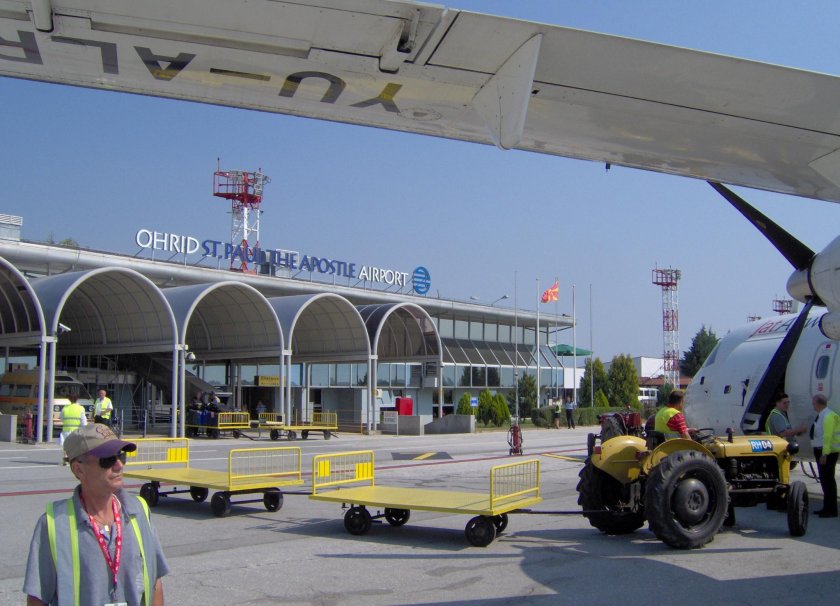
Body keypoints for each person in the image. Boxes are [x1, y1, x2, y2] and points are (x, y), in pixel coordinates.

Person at [24, 423, 169, 605]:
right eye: (107, 459)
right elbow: (37, 598)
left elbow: (155, 582)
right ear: (79, 469)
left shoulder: (139, 511)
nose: (118, 465)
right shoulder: (53, 524)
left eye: (121, 456)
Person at [811, 394, 840, 518]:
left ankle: (831, 510)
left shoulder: (827, 416)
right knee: (824, 480)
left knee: (828, 480)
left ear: (818, 403)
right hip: (822, 451)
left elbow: (827, 437)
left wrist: (824, 454)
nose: (812, 405)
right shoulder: (822, 415)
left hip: (827, 452)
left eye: (813, 402)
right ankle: (826, 507)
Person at [58, 395, 87, 466]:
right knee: (76, 446)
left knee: (66, 445)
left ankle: (65, 458)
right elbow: (83, 421)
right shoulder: (80, 408)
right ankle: (75, 459)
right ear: (77, 400)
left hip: (66, 429)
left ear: (69, 400)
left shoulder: (65, 408)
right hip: (76, 430)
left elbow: (61, 418)